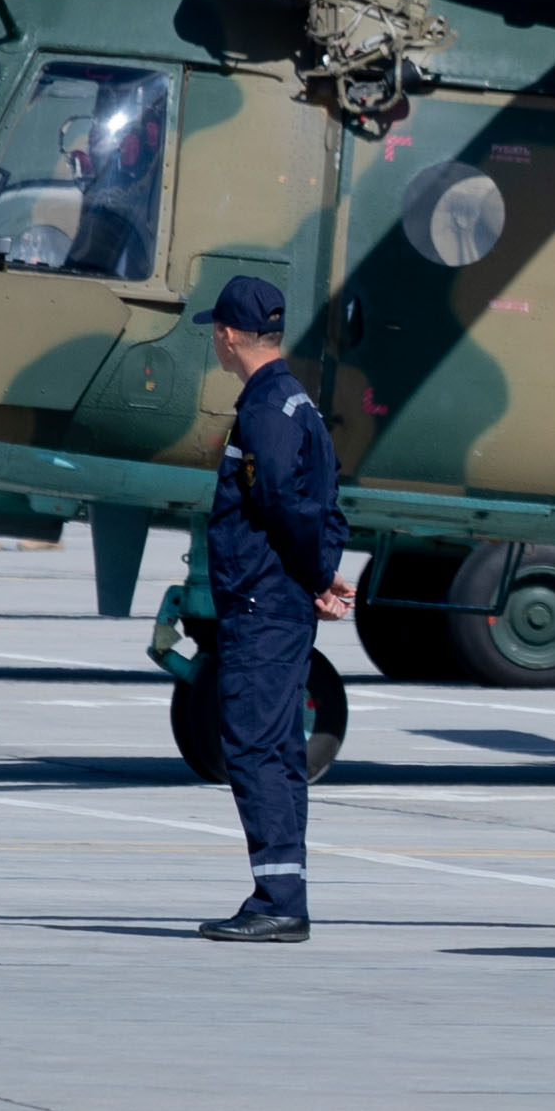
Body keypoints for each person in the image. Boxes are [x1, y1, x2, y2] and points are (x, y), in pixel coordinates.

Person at [192, 272, 349, 942]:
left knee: (255, 745)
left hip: (262, 603)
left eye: (216, 332)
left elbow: (285, 501)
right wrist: (322, 574)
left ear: (228, 335)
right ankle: (283, 893)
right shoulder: (296, 402)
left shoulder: (264, 410)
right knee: (279, 749)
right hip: (280, 599)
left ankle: (279, 900)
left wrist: (319, 575)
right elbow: (325, 501)